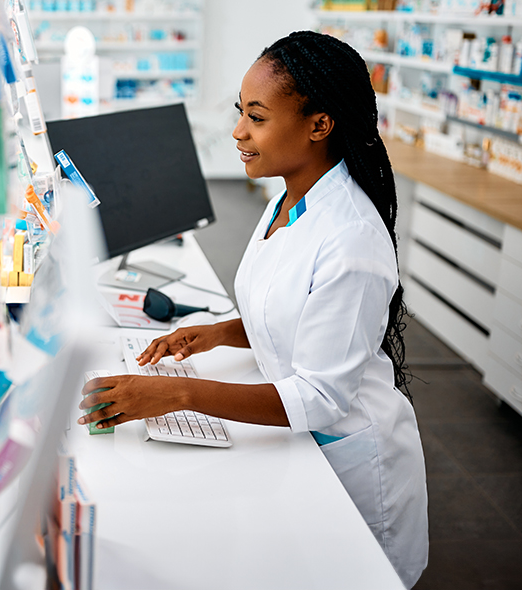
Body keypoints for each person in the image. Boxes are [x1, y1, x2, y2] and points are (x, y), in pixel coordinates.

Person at [78, 31, 428, 588]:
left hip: (347, 462)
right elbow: (292, 310)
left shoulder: (351, 238)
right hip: (297, 443)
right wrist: (217, 334)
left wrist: (174, 395)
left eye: (258, 118)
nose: (238, 131)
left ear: (320, 125)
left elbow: (320, 396)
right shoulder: (290, 196)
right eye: (241, 111)